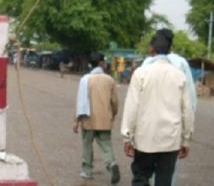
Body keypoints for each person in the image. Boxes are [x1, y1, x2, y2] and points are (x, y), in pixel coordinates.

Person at [121, 30, 194, 186]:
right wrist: (186, 139)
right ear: (170, 49)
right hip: (170, 139)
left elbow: (132, 106)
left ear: (151, 49)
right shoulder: (179, 75)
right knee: (164, 180)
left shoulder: (140, 73)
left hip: (145, 137)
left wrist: (127, 136)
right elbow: (187, 111)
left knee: (141, 177)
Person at [74, 52, 120, 184]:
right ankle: (111, 164)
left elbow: (79, 101)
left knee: (87, 145)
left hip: (87, 118)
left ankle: (87, 170)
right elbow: (115, 102)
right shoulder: (109, 80)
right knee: (106, 144)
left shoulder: (85, 79)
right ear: (101, 63)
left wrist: (76, 121)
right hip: (105, 118)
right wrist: (113, 114)